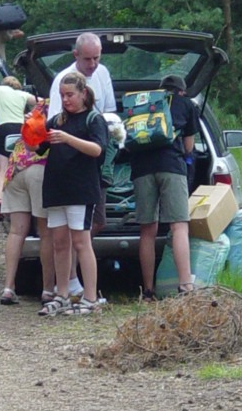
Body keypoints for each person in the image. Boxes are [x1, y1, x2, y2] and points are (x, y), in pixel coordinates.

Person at [48, 31, 116, 296]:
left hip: (87, 175)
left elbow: (108, 117)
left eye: (97, 58)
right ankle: (65, 288)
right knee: (61, 240)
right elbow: (52, 125)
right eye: (88, 59)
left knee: (86, 233)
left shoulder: (102, 81)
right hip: (61, 178)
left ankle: (89, 292)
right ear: (75, 55)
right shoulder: (61, 81)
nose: (93, 64)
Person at [39, 71, 108, 316]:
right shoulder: (57, 120)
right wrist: (33, 125)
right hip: (57, 187)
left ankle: (90, 297)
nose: (66, 100)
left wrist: (68, 138)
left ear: (83, 94)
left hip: (81, 189)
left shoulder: (93, 119)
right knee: (59, 242)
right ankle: (63, 294)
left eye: (70, 95)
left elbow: (97, 149)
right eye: (62, 95)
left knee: (81, 241)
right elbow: (36, 147)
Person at [129, 74, 198, 300]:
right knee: (178, 226)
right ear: (182, 91)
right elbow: (188, 147)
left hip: (141, 169)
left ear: (160, 89)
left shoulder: (144, 105)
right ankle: (185, 285)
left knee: (147, 230)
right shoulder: (187, 104)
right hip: (171, 167)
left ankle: (147, 291)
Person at [0, 129, 54, 306]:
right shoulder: (60, 113)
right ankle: (47, 290)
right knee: (46, 233)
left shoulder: (34, 112)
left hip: (16, 169)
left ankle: (8, 288)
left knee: (16, 232)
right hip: (40, 168)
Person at [0, 76, 37, 221]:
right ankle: (20, 202)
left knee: (1, 169)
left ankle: (0, 198)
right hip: (20, 128)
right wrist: (31, 115)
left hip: (3, 128)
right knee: (19, 166)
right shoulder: (22, 94)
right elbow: (39, 101)